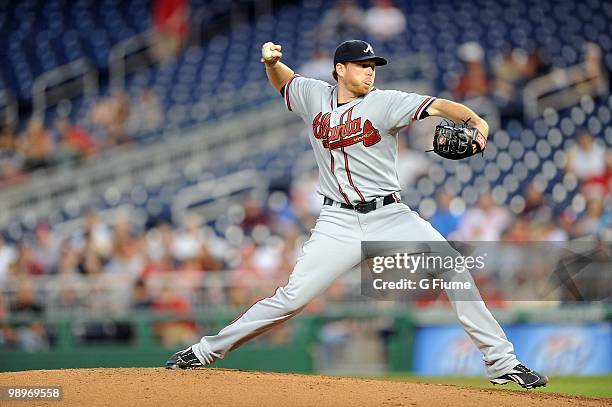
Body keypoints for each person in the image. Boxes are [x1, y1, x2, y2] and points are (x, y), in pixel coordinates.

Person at [165, 40, 548, 389]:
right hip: (338, 222)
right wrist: (270, 62)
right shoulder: (313, 95)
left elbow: (438, 106)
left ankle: (501, 363)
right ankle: (203, 352)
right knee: (293, 298)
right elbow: (285, 82)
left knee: (453, 266)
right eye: (362, 64)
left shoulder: (385, 101)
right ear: (340, 69)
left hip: (390, 215)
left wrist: (477, 123)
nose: (369, 70)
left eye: (373, 65)